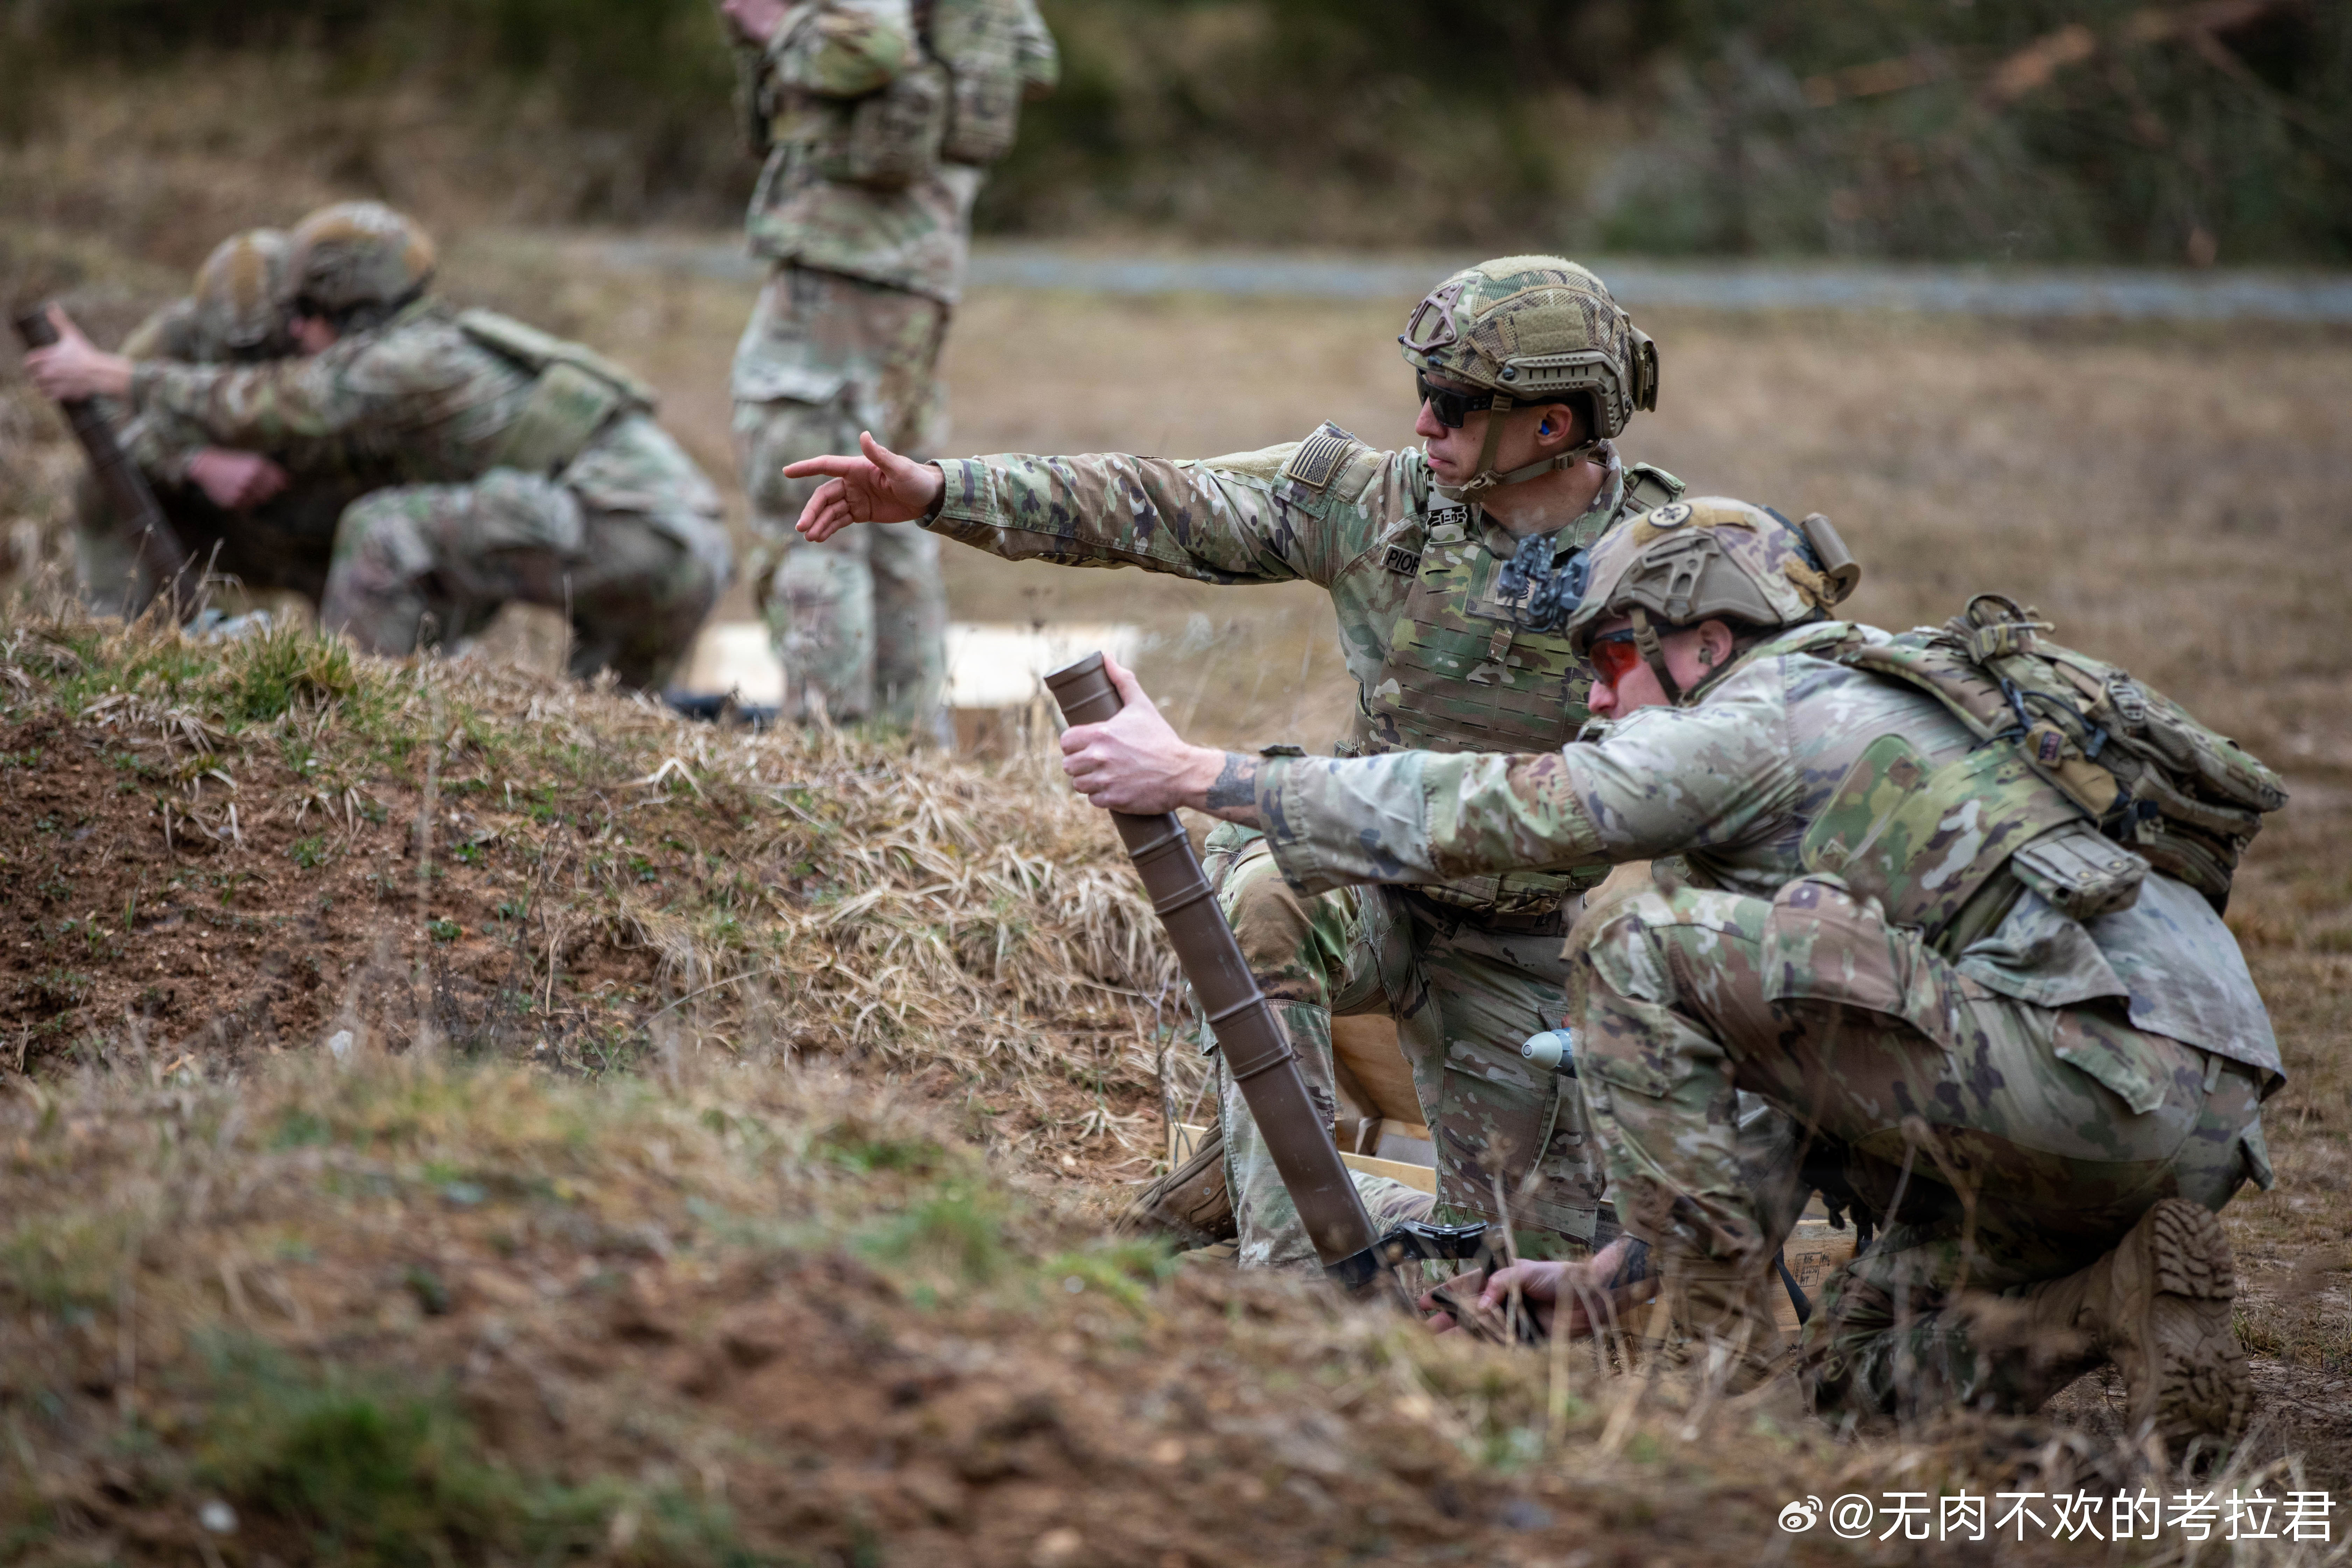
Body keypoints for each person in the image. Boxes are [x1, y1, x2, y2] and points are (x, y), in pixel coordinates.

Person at [1048, 500, 2278, 1450]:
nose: (1591, 697)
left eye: (1609, 657)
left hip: (2068, 1071)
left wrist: (1202, 776)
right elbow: (1785, 1079)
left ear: (1704, 640)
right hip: (2182, 1120)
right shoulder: (1896, 714)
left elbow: (1519, 808)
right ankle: (2112, 1299)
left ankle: (1708, 1374)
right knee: (1854, 1386)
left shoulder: (1763, 710)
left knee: (1633, 941)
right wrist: (1608, 1276)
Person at [784, 257, 1683, 1270]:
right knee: (1265, 891)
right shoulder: (1381, 506)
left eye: (1455, 403)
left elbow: (1725, 795)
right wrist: (944, 491)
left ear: (1552, 425)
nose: (1423, 422)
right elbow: (1164, 501)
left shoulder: (1668, 575)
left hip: (1518, 943)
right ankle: (1290, 1270)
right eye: (1422, 390)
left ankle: (1276, 1193)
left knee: (1521, 1289)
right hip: (1364, 884)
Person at [25, 201, 732, 689]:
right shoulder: (443, 342)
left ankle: (345, 715)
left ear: (349, 307)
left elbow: (278, 401)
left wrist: (110, 374)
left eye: (305, 314)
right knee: (605, 734)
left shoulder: (402, 362)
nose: (296, 335)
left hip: (624, 528)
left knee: (384, 528)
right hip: (682, 551)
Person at [721, 0, 1057, 730]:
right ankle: (907, 747)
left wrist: (775, 25)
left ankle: (829, 750)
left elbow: (872, 46)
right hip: (922, 268)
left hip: (842, 270)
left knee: (811, 510)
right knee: (894, 511)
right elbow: (1033, 62)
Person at [72, 229, 374, 613]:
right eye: (237, 349)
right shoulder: (176, 334)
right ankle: (114, 621)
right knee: (104, 480)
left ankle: (381, 637)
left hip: (322, 518)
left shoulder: (333, 328)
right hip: (222, 523)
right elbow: (106, 419)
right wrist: (195, 462)